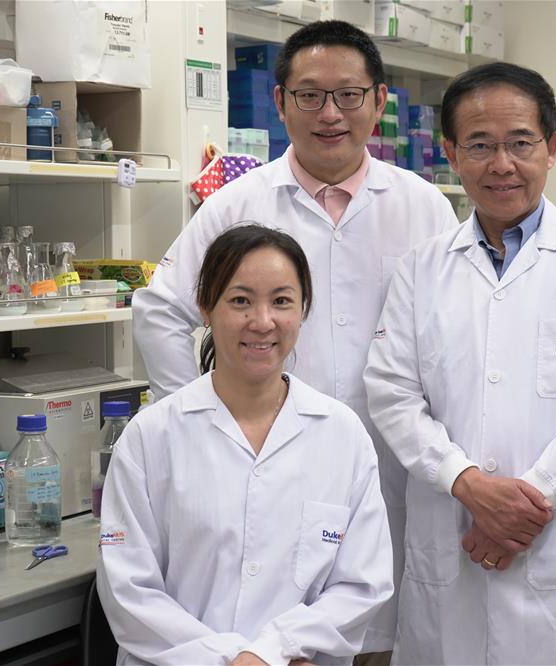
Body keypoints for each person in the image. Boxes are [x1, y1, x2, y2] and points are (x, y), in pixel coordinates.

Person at [133, 21, 458, 657]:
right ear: (280, 103)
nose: (329, 113)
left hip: (392, 471)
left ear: (379, 102)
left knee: (373, 634)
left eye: (349, 95)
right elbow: (161, 311)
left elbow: (454, 344)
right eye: (309, 95)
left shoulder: (425, 207)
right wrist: (201, 420)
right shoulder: (236, 204)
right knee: (265, 640)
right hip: (259, 471)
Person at [363, 62, 556, 665]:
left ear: (551, 147)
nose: (502, 164)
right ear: (450, 152)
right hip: (452, 538)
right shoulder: (421, 267)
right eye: (480, 145)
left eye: (521, 143)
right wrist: (467, 483)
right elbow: (391, 391)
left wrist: (526, 503)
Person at [98, 225, 393, 665]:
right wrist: (233, 659)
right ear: (205, 309)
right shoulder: (151, 436)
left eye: (281, 301)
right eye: (240, 301)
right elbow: (129, 589)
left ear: (303, 310)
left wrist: (272, 650)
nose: (262, 321)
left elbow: (362, 584)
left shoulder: (342, 434)